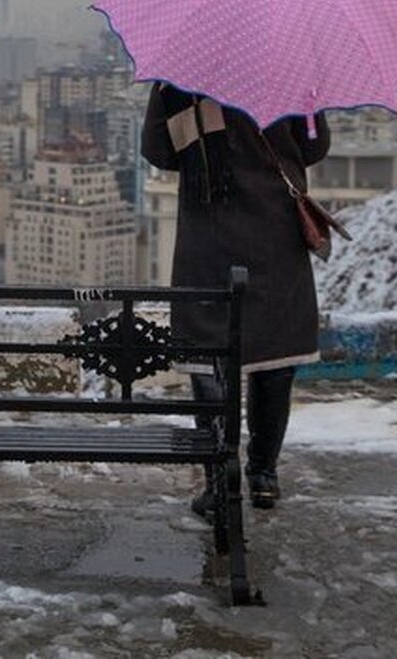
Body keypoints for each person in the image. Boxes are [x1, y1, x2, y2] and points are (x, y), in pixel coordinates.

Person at [140, 82, 330, 511]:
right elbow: (316, 148)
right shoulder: (289, 71)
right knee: (275, 358)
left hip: (209, 236)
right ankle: (263, 474)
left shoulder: (177, 80)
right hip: (275, 232)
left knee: (207, 359)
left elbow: (157, 151)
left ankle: (217, 479)